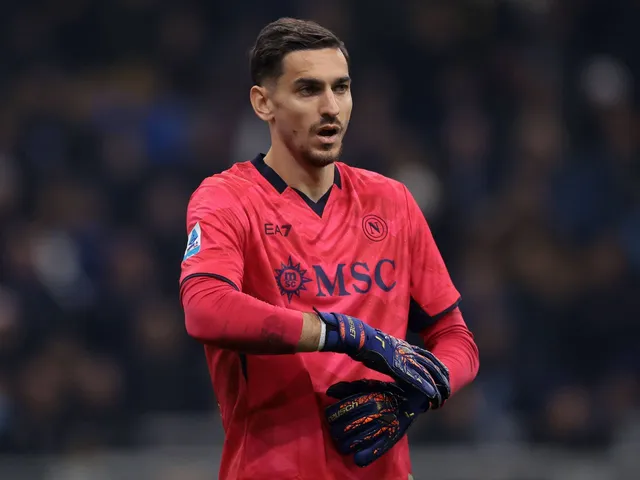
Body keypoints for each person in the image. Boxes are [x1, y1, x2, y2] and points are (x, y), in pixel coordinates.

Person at [180, 17, 479, 480]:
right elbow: (205, 308)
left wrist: (419, 392)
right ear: (263, 103)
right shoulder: (227, 199)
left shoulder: (392, 202)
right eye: (308, 90)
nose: (331, 107)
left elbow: (455, 337)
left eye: (341, 88)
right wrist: (339, 333)